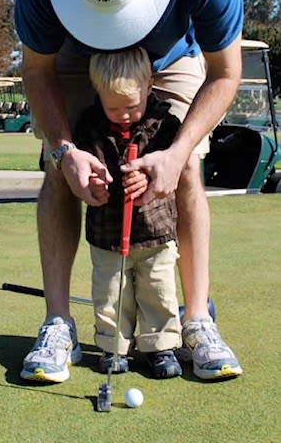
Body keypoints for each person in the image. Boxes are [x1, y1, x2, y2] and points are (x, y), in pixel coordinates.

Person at [15, 0, 243, 383]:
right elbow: (36, 70)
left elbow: (226, 73)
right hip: (75, 60)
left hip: (170, 57)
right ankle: (58, 323)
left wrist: (177, 150)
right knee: (60, 171)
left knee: (185, 168)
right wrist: (65, 149)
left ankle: (197, 318)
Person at [75, 47, 182, 379]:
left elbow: (169, 170)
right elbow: (86, 167)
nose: (123, 115)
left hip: (156, 230)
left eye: (131, 107)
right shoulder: (89, 126)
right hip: (107, 232)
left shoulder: (165, 124)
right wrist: (95, 185)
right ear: (98, 93)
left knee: (158, 289)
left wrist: (148, 176)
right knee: (110, 292)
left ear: (149, 86)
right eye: (113, 108)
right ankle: (113, 348)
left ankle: (159, 346)